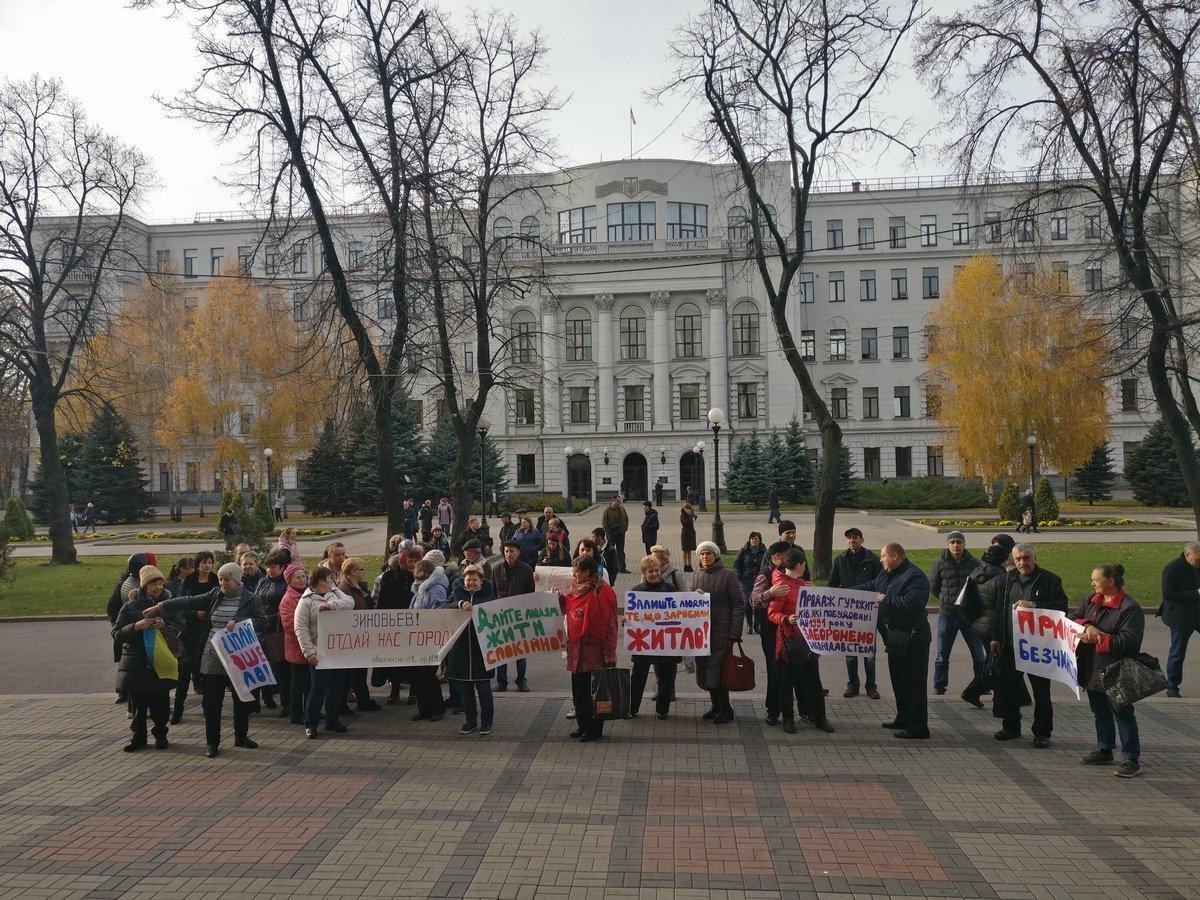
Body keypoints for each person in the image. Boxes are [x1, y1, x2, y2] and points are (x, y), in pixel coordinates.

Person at [146, 562, 267, 758]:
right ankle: (212, 742)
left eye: (226, 579)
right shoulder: (214, 595)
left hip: (237, 657)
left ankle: (241, 736)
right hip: (212, 656)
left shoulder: (251, 599)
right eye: (220, 578)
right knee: (212, 703)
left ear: (236, 580)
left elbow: (262, 622)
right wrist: (161, 606)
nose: (222, 582)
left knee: (241, 700)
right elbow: (188, 601)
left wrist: (240, 622)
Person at [986, 543, 1068, 748]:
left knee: (1041, 692)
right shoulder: (1004, 581)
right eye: (1018, 559)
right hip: (1010, 645)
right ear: (1012, 561)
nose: (1022, 563)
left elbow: (1061, 609)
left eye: (1026, 558)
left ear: (1034, 558)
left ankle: (1042, 732)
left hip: (1038, 648)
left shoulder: (1050, 581)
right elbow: (996, 611)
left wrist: (1034, 606)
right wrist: (995, 638)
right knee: (1009, 689)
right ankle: (1011, 727)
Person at [1073, 563, 1146, 777]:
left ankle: (1131, 758)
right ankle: (1104, 748)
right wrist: (1087, 626)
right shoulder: (1090, 601)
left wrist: (1097, 638)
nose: (1092, 583)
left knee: (1122, 713)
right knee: (1100, 710)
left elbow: (1129, 642)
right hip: (1092, 667)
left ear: (1110, 581)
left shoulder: (1129, 608)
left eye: (1096, 579)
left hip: (1117, 669)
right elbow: (1073, 618)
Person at [857, 543, 932, 740]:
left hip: (914, 639)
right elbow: (868, 587)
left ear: (895, 555)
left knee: (914, 683)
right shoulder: (886, 575)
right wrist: (838, 593)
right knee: (899, 681)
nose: (880, 560)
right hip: (896, 638)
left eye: (883, 556)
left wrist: (886, 599)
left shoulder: (914, 576)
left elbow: (914, 602)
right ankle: (903, 718)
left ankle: (918, 727)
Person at [112, 565, 179, 752]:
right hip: (137, 663)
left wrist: (165, 625)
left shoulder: (168, 604)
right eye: (153, 584)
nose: (157, 587)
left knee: (161, 704)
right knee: (138, 705)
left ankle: (161, 735)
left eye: (159, 583)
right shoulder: (130, 607)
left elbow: (181, 628)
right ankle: (138, 737)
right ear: (143, 586)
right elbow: (117, 633)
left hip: (161, 661)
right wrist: (135, 627)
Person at [768, 546, 834, 734]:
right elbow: (772, 613)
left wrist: (815, 592)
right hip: (789, 642)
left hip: (808, 639)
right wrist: (786, 619)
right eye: (804, 564)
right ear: (798, 565)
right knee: (787, 682)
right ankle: (788, 718)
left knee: (814, 681)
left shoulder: (802, 583)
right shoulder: (782, 586)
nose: (805, 567)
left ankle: (820, 717)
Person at [559, 555, 619, 742]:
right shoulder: (574, 589)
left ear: (587, 572)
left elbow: (610, 626)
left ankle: (593, 729)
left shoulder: (603, 592)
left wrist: (609, 654)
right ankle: (582, 725)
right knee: (578, 692)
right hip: (576, 650)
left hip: (594, 651)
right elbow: (566, 607)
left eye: (577, 573)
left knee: (593, 693)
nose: (574, 576)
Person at [293, 565, 356, 739]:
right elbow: (300, 628)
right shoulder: (305, 601)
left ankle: (332, 720)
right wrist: (309, 652)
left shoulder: (335, 593)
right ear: (321, 581)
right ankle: (311, 723)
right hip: (319, 651)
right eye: (329, 579)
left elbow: (350, 602)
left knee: (336, 687)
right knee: (317, 689)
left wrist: (330, 605)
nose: (332, 582)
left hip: (338, 650)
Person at [440, 563, 498, 736]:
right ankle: (470, 721)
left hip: (483, 651)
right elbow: (442, 607)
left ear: (481, 581)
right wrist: (459, 604)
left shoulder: (489, 597)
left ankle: (487, 722)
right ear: (463, 581)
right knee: (465, 689)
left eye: (475, 580)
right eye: (468, 579)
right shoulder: (456, 594)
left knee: (484, 689)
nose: (471, 583)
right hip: (461, 650)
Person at [958, 535, 1014, 708]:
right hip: (994, 628)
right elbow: (1001, 609)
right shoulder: (1002, 579)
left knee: (993, 662)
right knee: (998, 666)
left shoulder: (977, 572)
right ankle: (996, 702)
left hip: (979, 624)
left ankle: (975, 692)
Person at [692, 540, 745, 724]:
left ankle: (726, 709)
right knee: (707, 669)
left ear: (716, 555)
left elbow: (738, 604)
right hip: (702, 631)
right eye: (702, 554)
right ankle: (716, 706)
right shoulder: (697, 573)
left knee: (719, 670)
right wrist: (694, 595)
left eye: (708, 553)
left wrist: (735, 631)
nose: (705, 557)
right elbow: (689, 600)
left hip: (722, 631)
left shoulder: (727, 575)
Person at [829, 528, 882, 700]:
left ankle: (871, 686)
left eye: (856, 538)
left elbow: (880, 583)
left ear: (862, 539)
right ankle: (853, 685)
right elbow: (832, 585)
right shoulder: (839, 560)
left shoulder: (873, 560)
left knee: (869, 652)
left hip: (867, 613)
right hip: (848, 614)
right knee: (851, 651)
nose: (852, 541)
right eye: (850, 538)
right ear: (847, 541)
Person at [930, 531, 984, 697]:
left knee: (979, 655)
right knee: (941, 655)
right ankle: (940, 686)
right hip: (948, 615)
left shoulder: (975, 563)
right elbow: (933, 586)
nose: (956, 545)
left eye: (959, 542)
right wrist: (945, 599)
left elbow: (981, 587)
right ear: (948, 545)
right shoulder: (939, 563)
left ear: (964, 544)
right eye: (952, 542)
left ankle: (982, 685)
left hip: (969, 617)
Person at [628, 554, 679, 719]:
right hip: (644, 643)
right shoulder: (636, 591)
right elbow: (633, 618)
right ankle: (632, 708)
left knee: (666, 677)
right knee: (638, 677)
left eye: (656, 570)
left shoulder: (671, 589)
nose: (655, 574)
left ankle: (662, 709)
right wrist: (627, 621)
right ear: (644, 572)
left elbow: (682, 613)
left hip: (666, 644)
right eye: (650, 571)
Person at [493, 541, 535, 693]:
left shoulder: (526, 570)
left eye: (511, 551)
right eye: (506, 551)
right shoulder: (497, 569)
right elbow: (493, 592)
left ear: (518, 552)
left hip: (519, 617)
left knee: (520, 652)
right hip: (501, 617)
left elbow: (532, 593)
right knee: (501, 652)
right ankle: (501, 682)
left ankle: (521, 681)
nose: (508, 554)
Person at [1159, 542, 1200, 698]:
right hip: (1180, 616)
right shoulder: (1172, 569)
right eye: (1197, 559)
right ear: (1187, 555)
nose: (1199, 563)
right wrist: (1196, 594)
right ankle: (1172, 687)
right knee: (1178, 651)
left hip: (1198, 612)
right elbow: (1168, 594)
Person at [340, 557, 380, 712]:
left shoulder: (360, 586)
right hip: (353, 636)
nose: (364, 572)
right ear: (351, 571)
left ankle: (364, 700)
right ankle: (342, 704)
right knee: (351, 673)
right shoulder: (345, 589)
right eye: (361, 569)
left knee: (360, 671)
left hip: (363, 634)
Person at [257, 549, 291, 714]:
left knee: (281, 668)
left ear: (283, 567)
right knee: (262, 664)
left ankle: (287, 703)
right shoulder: (263, 582)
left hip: (278, 630)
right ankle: (265, 698)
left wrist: (269, 618)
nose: (270, 570)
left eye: (274, 567)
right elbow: (256, 600)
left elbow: (285, 609)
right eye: (269, 567)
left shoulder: (286, 583)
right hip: (261, 630)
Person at [278, 562, 310, 726]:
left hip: (309, 646)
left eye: (303, 576)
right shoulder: (288, 600)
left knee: (309, 684)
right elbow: (289, 626)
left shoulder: (309, 594)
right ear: (289, 580)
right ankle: (296, 714)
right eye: (297, 577)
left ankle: (310, 710)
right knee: (297, 684)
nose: (301, 580)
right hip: (296, 648)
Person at [733, 532, 766, 636]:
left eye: (755, 539)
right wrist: (738, 574)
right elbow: (737, 564)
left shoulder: (764, 552)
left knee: (757, 602)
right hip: (746, 580)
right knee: (747, 602)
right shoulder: (744, 551)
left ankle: (757, 623)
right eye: (752, 539)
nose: (753, 541)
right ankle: (749, 624)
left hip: (759, 581)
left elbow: (767, 564)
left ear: (759, 540)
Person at [601, 496, 630, 573]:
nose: (619, 503)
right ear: (613, 501)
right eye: (618, 501)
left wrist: (625, 528)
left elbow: (626, 519)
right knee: (610, 551)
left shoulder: (622, 509)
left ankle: (622, 568)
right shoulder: (607, 510)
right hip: (611, 535)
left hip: (621, 533)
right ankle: (608, 567)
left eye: (620, 501)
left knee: (621, 551)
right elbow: (604, 523)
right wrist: (608, 532)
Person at [679, 501, 698, 572]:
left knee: (689, 550)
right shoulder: (683, 515)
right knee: (685, 550)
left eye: (689, 509)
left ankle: (690, 564)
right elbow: (685, 523)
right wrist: (690, 516)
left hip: (691, 534)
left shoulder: (691, 514)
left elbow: (695, 517)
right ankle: (685, 565)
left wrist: (692, 515)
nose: (688, 510)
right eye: (687, 509)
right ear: (684, 509)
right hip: (685, 534)